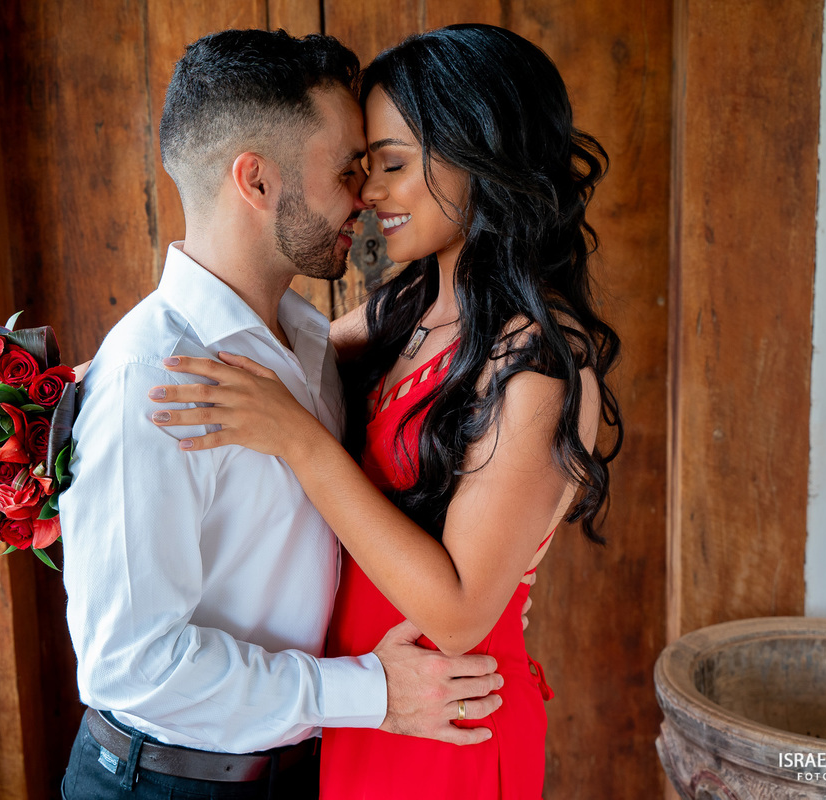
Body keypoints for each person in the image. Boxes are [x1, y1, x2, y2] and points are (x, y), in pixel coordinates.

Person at [149, 24, 623, 799]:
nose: (368, 194)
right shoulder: (405, 309)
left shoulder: (537, 363)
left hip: (449, 719)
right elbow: (251, 360)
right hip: (371, 704)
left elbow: (463, 609)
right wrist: (84, 387)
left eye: (394, 166)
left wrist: (303, 446)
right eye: (367, 167)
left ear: (482, 158)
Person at [58, 29, 508, 800]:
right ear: (258, 181)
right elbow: (129, 664)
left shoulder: (308, 341)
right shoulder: (152, 377)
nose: (362, 198)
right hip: (167, 784)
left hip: (300, 772)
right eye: (345, 169)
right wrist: (370, 694)